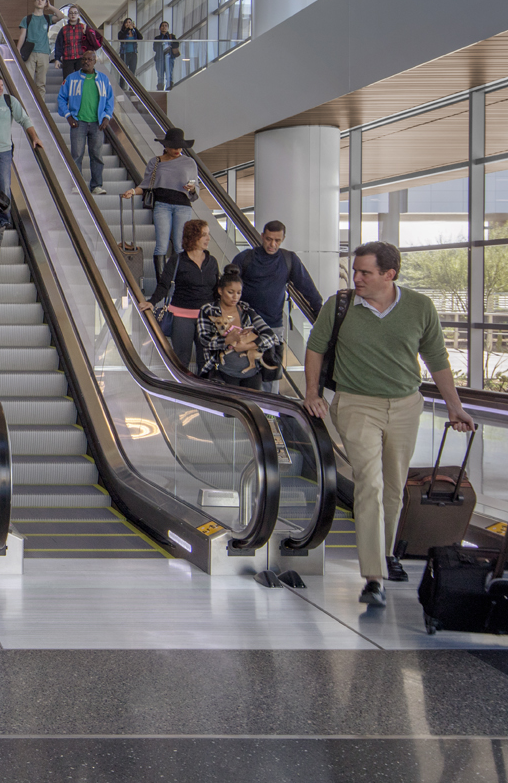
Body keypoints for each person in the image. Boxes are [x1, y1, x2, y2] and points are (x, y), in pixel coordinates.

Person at [303, 241, 474, 605]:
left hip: (406, 405)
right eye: (355, 271)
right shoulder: (341, 305)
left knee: (394, 487)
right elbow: (315, 347)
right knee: (370, 482)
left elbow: (436, 358)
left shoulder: (419, 307)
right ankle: (374, 575)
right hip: (355, 403)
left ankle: (387, 551)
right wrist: (311, 392)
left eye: (365, 272)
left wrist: (455, 406)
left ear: (389, 274)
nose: (357, 278)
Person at [141, 219, 218, 373]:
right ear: (192, 236)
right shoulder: (177, 260)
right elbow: (164, 285)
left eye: (208, 235)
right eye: (204, 235)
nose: (208, 239)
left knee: (207, 359)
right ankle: (183, 392)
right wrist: (152, 302)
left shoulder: (212, 261)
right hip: (182, 316)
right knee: (182, 359)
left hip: (207, 317)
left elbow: (217, 289)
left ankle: (205, 394)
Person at [123, 127, 198, 283]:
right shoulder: (155, 162)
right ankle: (162, 283)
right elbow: (146, 185)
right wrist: (132, 191)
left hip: (183, 205)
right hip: (162, 204)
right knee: (161, 245)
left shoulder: (189, 162)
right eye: (173, 146)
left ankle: (181, 281)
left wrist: (191, 188)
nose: (177, 149)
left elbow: (195, 191)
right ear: (166, 146)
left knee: (180, 245)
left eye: (179, 146)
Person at [0, 72, 39, 250]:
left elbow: (24, 119)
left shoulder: (10, 102)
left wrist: (35, 137)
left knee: (3, 185)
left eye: (2, 86)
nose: (1, 88)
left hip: (3, 152)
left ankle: (3, 220)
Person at [228, 220, 326, 330]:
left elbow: (307, 287)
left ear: (283, 239)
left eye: (277, 240)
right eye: (268, 239)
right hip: (245, 323)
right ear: (262, 236)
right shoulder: (244, 258)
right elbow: (227, 287)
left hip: (273, 325)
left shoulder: (289, 259)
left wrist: (320, 313)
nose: (272, 244)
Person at [196, 268, 279, 391]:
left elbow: (271, 336)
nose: (235, 297)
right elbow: (204, 340)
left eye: (239, 293)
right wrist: (227, 340)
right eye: (230, 292)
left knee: (252, 408)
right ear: (220, 291)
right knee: (230, 408)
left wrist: (248, 345)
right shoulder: (209, 310)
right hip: (224, 373)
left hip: (252, 374)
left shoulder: (246, 310)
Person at [56, 52, 114, 194]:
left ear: (95, 61)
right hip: (78, 122)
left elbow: (110, 100)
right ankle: (77, 184)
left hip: (97, 123)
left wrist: (107, 117)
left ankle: (96, 186)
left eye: (89, 59)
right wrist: (68, 116)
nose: (86, 62)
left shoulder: (103, 79)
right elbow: (61, 98)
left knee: (97, 155)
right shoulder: (71, 79)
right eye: (84, 59)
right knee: (77, 154)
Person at [17, 0, 61, 89]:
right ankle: (27, 104)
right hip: (30, 53)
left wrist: (50, 7)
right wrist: (18, 50)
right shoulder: (27, 18)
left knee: (41, 83)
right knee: (27, 81)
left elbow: (60, 16)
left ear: (46, 3)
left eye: (43, 0)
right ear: (34, 2)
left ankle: (40, 103)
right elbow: (22, 36)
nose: (40, 1)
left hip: (44, 53)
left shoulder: (47, 18)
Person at [52, 6, 103, 78]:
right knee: (68, 80)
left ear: (78, 15)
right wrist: (57, 59)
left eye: (75, 13)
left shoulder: (83, 28)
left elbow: (91, 41)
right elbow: (59, 45)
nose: (73, 15)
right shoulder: (64, 29)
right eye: (71, 13)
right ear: (68, 15)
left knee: (81, 80)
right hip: (67, 58)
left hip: (81, 58)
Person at [152, 21, 179, 89]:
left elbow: (176, 44)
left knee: (169, 74)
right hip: (159, 58)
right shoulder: (157, 38)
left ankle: (169, 88)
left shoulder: (171, 36)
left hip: (169, 58)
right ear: (160, 28)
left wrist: (169, 45)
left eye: (166, 26)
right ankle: (160, 88)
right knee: (160, 75)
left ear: (168, 28)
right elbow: (155, 48)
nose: (164, 27)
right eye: (162, 26)